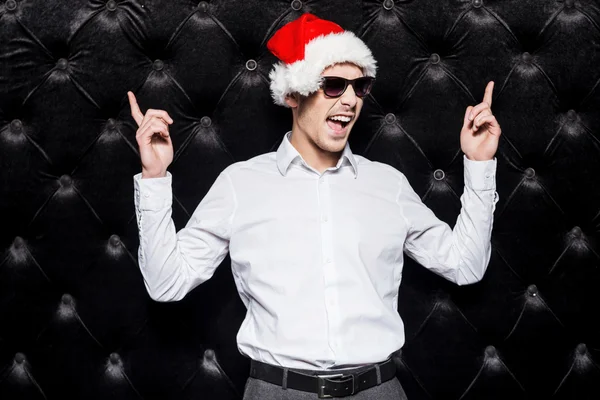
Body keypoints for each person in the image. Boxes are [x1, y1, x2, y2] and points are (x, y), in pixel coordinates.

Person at [128, 13, 500, 400]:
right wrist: (154, 177)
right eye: (333, 85)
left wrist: (479, 164)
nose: (350, 100)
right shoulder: (241, 185)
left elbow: (465, 266)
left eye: (360, 87)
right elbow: (166, 284)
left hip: (378, 390)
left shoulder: (388, 185)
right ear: (293, 93)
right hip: (277, 391)